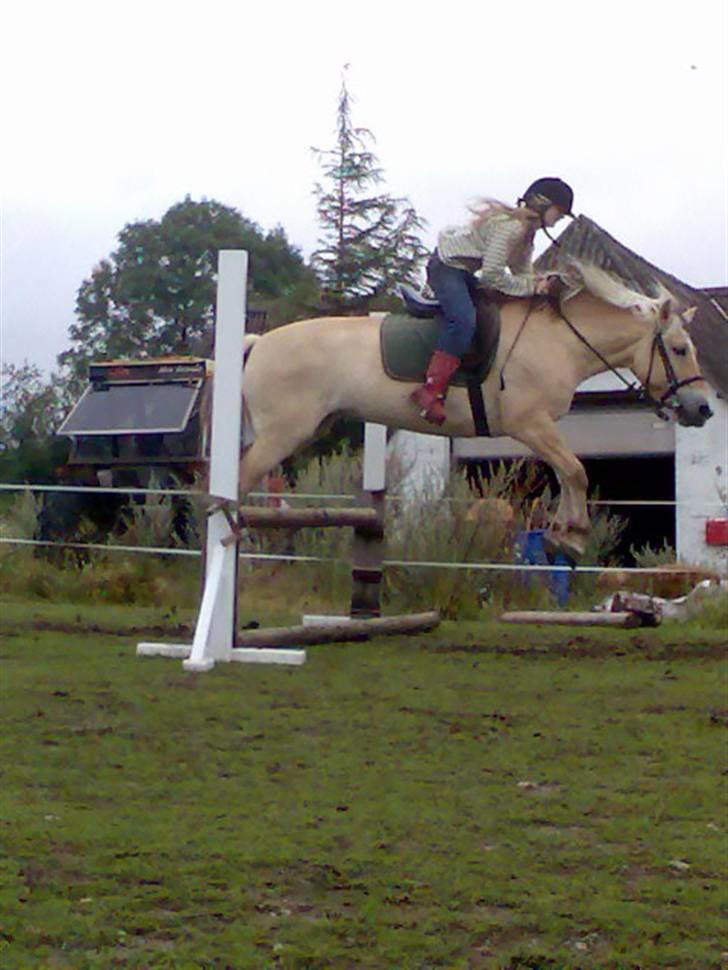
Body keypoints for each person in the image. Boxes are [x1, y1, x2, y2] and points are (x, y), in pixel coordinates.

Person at [410, 177, 575, 425]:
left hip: (464, 271)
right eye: (559, 213)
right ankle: (430, 391)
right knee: (463, 321)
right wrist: (532, 286)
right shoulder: (511, 228)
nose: (559, 219)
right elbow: (493, 276)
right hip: (447, 267)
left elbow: (521, 271)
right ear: (543, 205)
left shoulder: (526, 234)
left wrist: (540, 283)